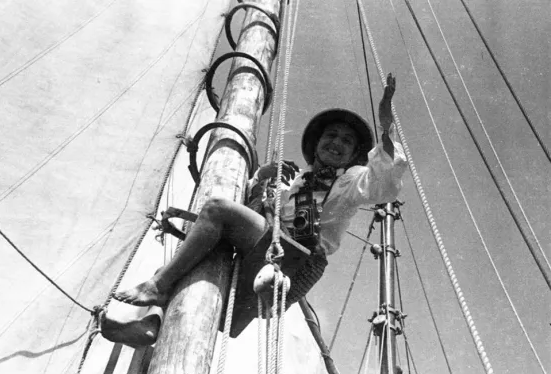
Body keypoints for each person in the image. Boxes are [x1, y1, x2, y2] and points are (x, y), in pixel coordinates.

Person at [101, 74, 408, 347]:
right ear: (317, 144)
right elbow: (250, 208)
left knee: (217, 210)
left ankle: (155, 287)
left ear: (355, 154)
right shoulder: (294, 182)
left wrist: (386, 124)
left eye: (346, 141)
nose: (336, 143)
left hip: (295, 259)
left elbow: (384, 177)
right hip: (267, 247)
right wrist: (261, 178)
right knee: (187, 258)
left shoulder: (352, 181)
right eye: (331, 136)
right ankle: (150, 323)